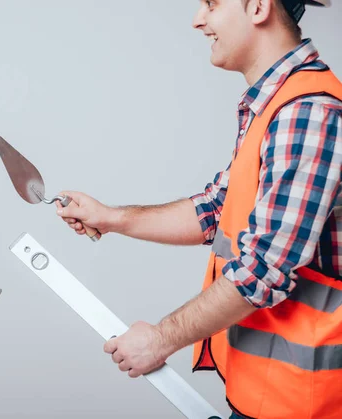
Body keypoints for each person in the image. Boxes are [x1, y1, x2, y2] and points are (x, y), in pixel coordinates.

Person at [55, 0, 342, 418]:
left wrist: (160, 339)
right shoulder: (276, 103)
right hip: (267, 392)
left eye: (211, 3)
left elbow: (264, 269)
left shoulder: (307, 112)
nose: (197, 19)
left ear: (258, 7)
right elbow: (215, 208)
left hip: (307, 402)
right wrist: (111, 217)